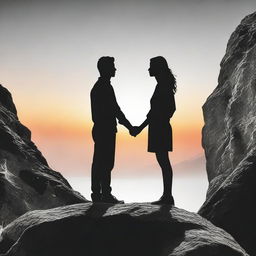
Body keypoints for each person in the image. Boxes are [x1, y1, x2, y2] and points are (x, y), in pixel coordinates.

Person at [132, 56, 176, 205]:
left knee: (164, 161)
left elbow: (168, 109)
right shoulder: (161, 85)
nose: (149, 69)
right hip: (158, 127)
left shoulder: (163, 85)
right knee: (163, 161)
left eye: (151, 66)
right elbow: (155, 112)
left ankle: (168, 196)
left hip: (160, 128)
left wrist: (158, 120)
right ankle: (167, 195)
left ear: (158, 68)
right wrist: (144, 126)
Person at [90, 56, 134, 204]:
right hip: (105, 130)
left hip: (102, 129)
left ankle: (99, 193)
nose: (115, 69)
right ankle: (103, 195)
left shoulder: (101, 86)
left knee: (101, 161)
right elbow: (116, 110)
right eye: (112, 66)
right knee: (105, 162)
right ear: (106, 68)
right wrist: (130, 127)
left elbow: (115, 110)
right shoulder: (104, 87)